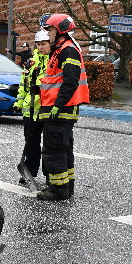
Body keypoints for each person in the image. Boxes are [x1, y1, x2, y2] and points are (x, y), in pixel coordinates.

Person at [37, 14, 89, 200]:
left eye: (50, 30)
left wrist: (57, 106)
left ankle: (58, 190)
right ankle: (67, 187)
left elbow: (70, 82)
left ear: (60, 31)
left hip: (61, 110)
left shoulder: (68, 51)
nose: (47, 34)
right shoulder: (60, 50)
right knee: (63, 149)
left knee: (54, 149)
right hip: (59, 110)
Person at [13, 30, 51, 186]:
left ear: (50, 44)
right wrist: (18, 103)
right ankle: (30, 172)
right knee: (31, 144)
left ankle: (51, 175)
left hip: (47, 109)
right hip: (30, 109)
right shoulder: (30, 62)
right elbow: (23, 85)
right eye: (39, 44)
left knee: (49, 145)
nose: (41, 47)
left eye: (44, 44)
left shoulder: (53, 62)